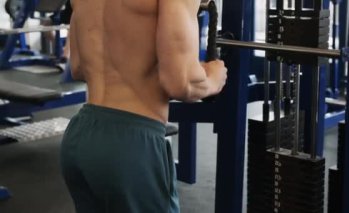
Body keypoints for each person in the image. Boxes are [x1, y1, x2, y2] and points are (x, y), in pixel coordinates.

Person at [60, 0, 227, 212]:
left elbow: (78, 68)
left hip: (80, 137)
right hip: (131, 146)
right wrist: (214, 77)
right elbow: (180, 82)